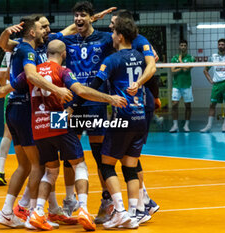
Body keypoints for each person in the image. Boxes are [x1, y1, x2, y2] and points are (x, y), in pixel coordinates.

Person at [27, 39, 127, 231]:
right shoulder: (63, 71)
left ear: (47, 53)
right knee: (79, 165)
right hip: (58, 120)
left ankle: (38, 212)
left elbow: (12, 86)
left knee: (51, 171)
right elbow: (80, 90)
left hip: (37, 126)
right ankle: (82, 209)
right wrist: (110, 99)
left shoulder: (33, 71)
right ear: (64, 54)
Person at [0, 16, 73, 228]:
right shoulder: (26, 49)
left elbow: (68, 30)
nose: (46, 30)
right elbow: (30, 75)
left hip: (18, 108)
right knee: (40, 164)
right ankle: (30, 213)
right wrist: (58, 90)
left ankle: (10, 211)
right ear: (32, 32)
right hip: (27, 108)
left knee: (27, 165)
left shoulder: (38, 46)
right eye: (42, 27)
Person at [91, 16, 153, 229]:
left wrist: (76, 98)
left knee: (106, 164)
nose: (111, 35)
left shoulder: (112, 59)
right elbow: (151, 66)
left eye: (113, 32)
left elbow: (95, 84)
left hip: (122, 118)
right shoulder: (139, 55)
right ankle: (134, 214)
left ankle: (119, 211)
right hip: (140, 118)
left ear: (120, 35)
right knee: (130, 167)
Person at [109, 9, 159, 220]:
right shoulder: (114, 43)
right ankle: (145, 201)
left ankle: (141, 205)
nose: (110, 26)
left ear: (122, 26)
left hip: (136, 105)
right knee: (128, 157)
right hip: (125, 104)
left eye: (113, 23)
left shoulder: (140, 41)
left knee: (129, 157)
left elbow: (152, 66)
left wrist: (142, 86)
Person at [169, 39, 196, 133]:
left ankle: (186, 125)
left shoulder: (191, 58)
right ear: (179, 46)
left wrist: (179, 64)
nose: (183, 47)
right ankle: (175, 125)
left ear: (187, 47)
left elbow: (187, 70)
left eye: (185, 45)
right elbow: (172, 71)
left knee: (188, 106)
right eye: (181, 45)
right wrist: (182, 66)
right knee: (174, 105)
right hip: (176, 85)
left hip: (187, 85)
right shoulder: (174, 58)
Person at [0, 52, 12, 186]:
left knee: (7, 133)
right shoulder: (33, 49)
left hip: (10, 94)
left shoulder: (8, 53)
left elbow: (1, 76)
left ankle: (0, 171)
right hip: (28, 95)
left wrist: (6, 89)